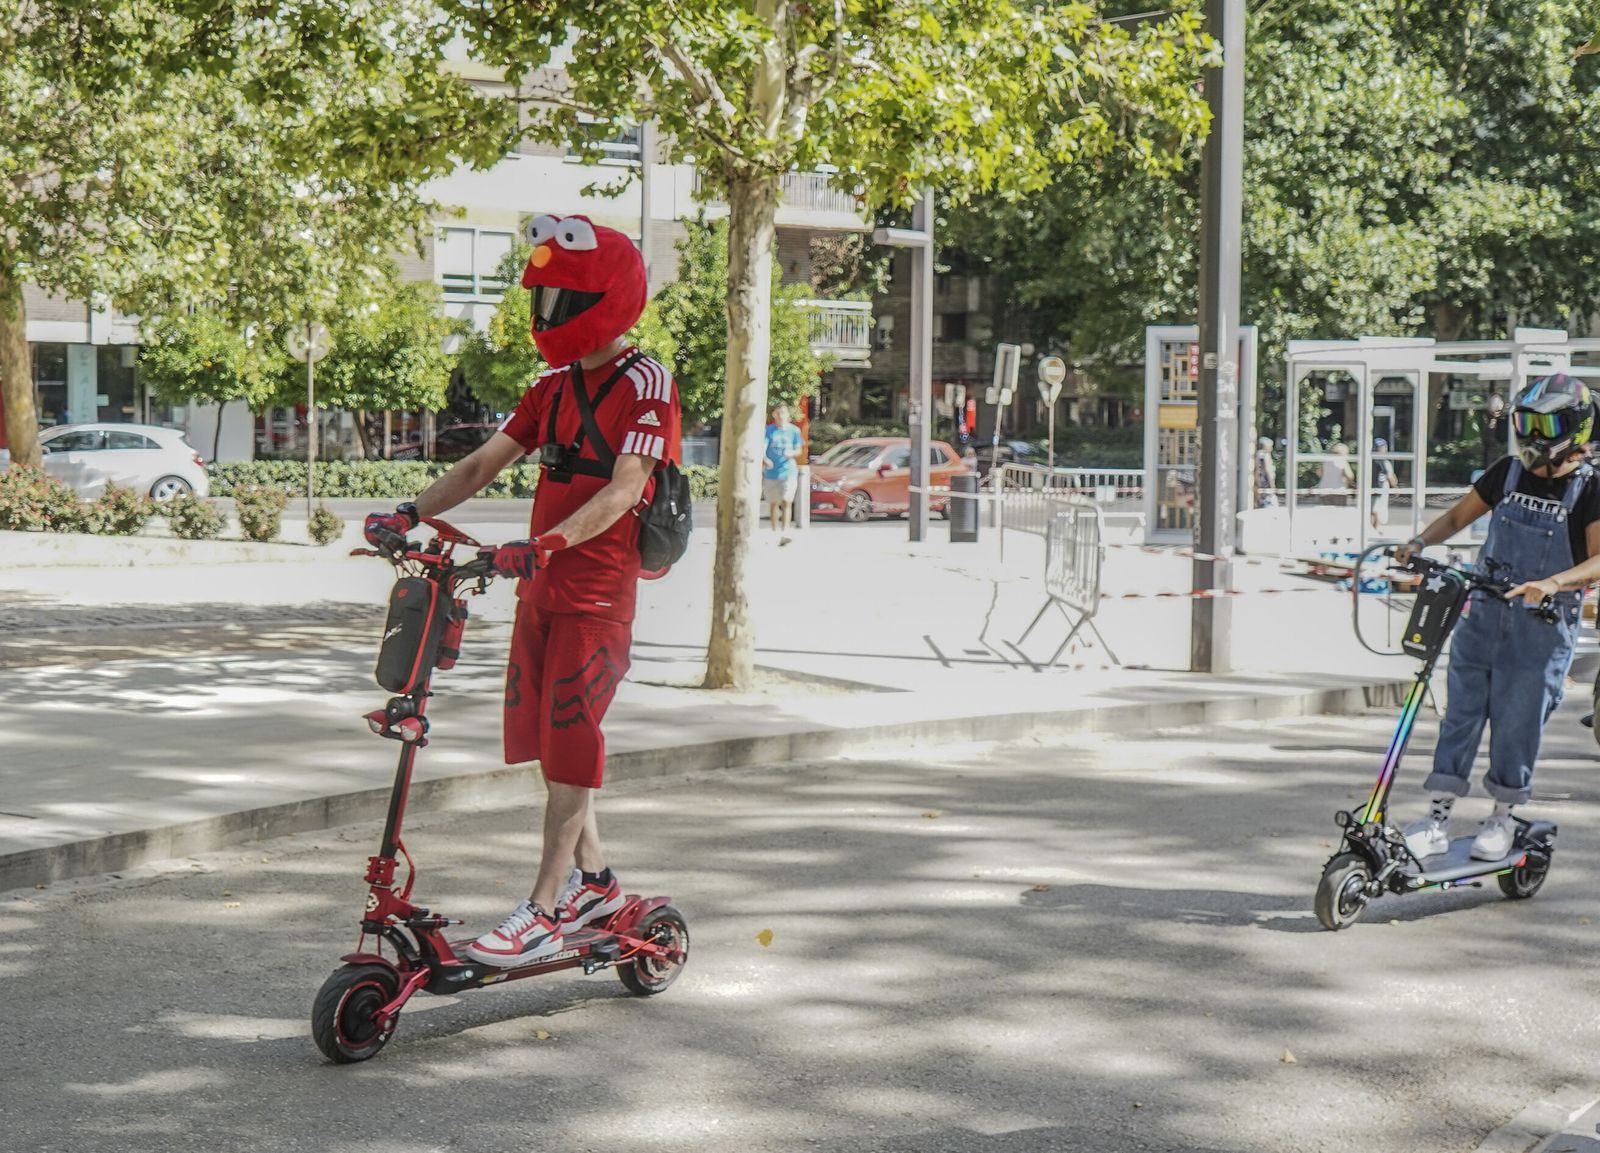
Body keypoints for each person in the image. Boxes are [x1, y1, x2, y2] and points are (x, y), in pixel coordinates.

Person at [363, 214, 680, 966]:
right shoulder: (551, 387)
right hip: (538, 587)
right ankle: (596, 881)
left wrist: (545, 543)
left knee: (572, 740)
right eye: (539, 303)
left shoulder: (646, 381)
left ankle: (543, 906)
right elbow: (481, 465)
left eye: (555, 304)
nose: (544, 318)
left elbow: (625, 490)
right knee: (551, 743)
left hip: (595, 592)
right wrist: (409, 512)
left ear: (599, 299)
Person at [1396, 374, 1600, 861]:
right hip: (1483, 613)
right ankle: (1437, 817)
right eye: (1525, 423)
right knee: (1460, 716)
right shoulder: (1507, 473)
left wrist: (1551, 583)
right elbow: (1455, 518)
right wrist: (1419, 543)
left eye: (1544, 424)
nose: (1532, 434)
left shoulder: (1590, 489)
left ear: (1575, 427)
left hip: (1541, 627)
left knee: (1517, 725)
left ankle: (1502, 818)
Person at [763, 402, 803, 545]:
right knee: (774, 503)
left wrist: (791, 453)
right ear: (774, 415)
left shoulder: (794, 431)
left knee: (787, 501)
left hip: (788, 471)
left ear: (787, 415)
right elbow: (763, 447)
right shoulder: (769, 430)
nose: (781, 416)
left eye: (783, 413)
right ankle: (774, 531)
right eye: (778, 413)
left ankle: (785, 531)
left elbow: (799, 450)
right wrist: (765, 459)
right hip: (772, 473)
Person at [1370, 437, 1397, 530]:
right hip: (1379, 489)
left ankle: (1374, 528)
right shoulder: (1384, 462)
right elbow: (1390, 476)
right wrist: (1395, 487)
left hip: (1376, 489)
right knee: (1376, 510)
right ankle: (1375, 528)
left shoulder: (1371, 461)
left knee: (1374, 509)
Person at [1253, 436, 1278, 508]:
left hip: (1259, 486)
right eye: (1271, 446)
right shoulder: (1265, 455)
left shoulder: (1257, 454)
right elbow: (1268, 471)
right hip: (1266, 487)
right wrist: (1272, 486)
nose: (1272, 448)